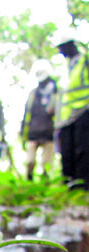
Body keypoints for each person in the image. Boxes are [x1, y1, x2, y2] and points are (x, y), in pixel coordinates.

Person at [55, 31, 89, 190]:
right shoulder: (65, 67)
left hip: (84, 111)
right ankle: (69, 184)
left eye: (61, 48)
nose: (60, 52)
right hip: (67, 117)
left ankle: (82, 184)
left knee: (83, 149)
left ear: (71, 45)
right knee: (66, 150)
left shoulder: (85, 60)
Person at [20, 59, 57, 181]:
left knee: (47, 164)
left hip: (48, 134)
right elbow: (26, 114)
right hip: (33, 133)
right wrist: (22, 133)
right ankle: (29, 181)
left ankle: (45, 185)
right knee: (30, 161)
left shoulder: (55, 93)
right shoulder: (33, 94)